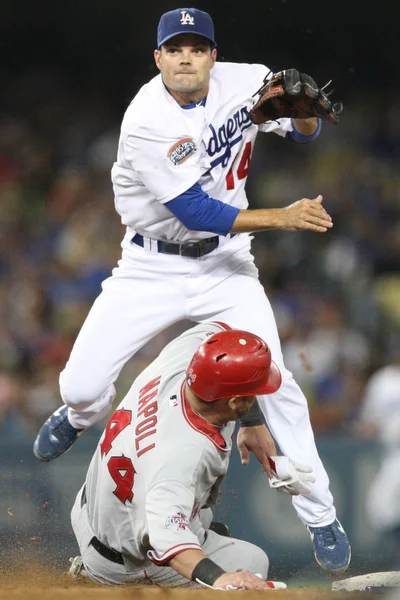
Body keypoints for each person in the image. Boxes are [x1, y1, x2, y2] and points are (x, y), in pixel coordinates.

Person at [34, 8, 350, 574]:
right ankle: (80, 414)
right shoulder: (146, 119)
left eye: (196, 47)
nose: (185, 56)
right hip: (150, 267)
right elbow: (197, 211)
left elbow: (308, 128)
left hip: (226, 267)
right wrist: (283, 216)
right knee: (80, 385)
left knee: (278, 381)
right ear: (158, 59)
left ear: (212, 55)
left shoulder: (247, 78)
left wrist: (304, 118)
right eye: (174, 49)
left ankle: (320, 513)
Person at [69, 322, 293, 588]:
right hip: (126, 558)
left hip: (93, 506)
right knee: (253, 562)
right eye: (253, 393)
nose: (257, 394)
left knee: (201, 517)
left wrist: (251, 421)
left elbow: (219, 330)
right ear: (234, 401)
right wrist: (221, 578)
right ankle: (109, 581)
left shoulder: (184, 358)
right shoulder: (184, 455)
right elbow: (168, 540)